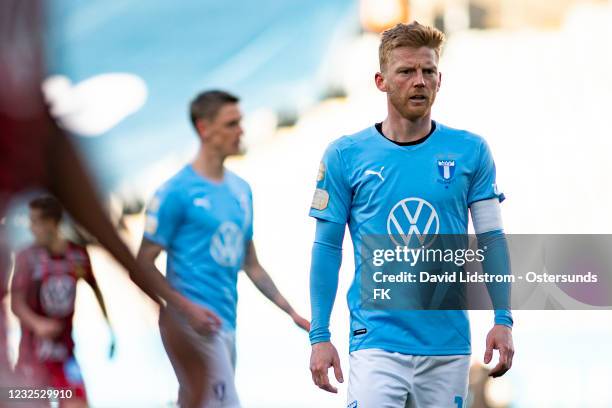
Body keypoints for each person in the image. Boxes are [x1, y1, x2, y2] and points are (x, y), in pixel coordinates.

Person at [308, 22, 514, 407]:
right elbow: (326, 249)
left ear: (440, 79)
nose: (419, 81)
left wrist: (503, 319)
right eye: (406, 71)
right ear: (381, 81)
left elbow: (492, 240)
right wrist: (320, 336)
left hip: (447, 345)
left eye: (428, 71)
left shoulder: (471, 151)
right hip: (376, 343)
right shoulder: (345, 156)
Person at [137, 90, 310, 407]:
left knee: (197, 401)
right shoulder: (175, 192)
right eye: (232, 124)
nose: (241, 131)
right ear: (204, 128)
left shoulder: (240, 190)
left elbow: (251, 264)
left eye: (240, 122)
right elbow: (143, 264)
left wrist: (291, 311)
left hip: (225, 322)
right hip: (190, 325)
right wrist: (186, 309)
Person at [10, 196, 114, 407]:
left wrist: (110, 328)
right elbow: (16, 303)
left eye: (36, 222)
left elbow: (96, 288)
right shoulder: (26, 257)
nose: (31, 228)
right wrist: (38, 323)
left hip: (65, 355)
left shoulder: (78, 255)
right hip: (32, 358)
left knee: (78, 403)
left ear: (52, 223)